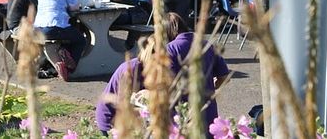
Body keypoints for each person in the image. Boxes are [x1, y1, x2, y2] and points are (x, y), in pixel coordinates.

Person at [95, 13, 230, 134]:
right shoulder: (206, 44)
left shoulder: (170, 50)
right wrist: (209, 89)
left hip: (180, 117)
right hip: (206, 114)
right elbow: (224, 77)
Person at [34, 0, 86, 81]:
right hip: (55, 26)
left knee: (69, 33)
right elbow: (75, 7)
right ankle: (69, 67)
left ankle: (63, 54)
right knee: (80, 40)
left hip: (39, 28)